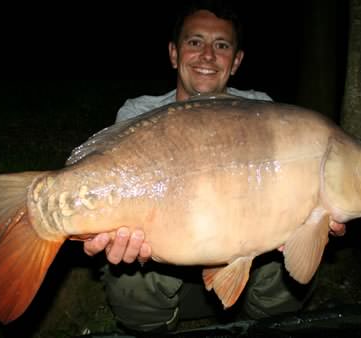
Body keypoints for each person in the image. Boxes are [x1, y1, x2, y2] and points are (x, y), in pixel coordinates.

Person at [68, 0, 346, 333]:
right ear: (174, 53)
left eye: (222, 45)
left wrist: (309, 224)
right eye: (195, 42)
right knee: (129, 278)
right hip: (163, 270)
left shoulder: (265, 112)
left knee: (282, 276)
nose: (208, 55)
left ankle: (260, 327)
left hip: (245, 267)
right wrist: (109, 230)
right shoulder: (139, 114)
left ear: (237, 60)